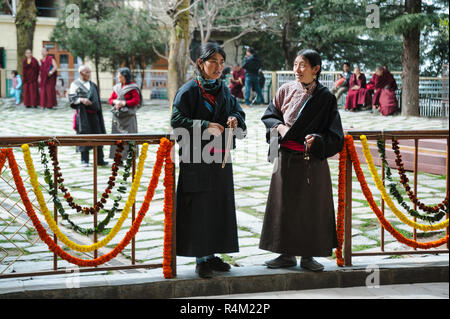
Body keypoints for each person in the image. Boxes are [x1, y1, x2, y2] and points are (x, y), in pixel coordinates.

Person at [260, 49, 344, 272]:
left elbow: (335, 135)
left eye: (303, 65)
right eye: (296, 64)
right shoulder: (285, 89)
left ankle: (309, 256)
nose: (297, 69)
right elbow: (269, 115)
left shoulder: (326, 98)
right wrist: (280, 127)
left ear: (316, 69)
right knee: (284, 206)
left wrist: (317, 140)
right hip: (285, 157)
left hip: (311, 160)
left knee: (311, 208)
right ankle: (285, 254)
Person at [170, 42, 247, 279]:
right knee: (199, 209)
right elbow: (176, 120)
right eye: (213, 61)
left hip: (221, 159)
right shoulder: (189, 90)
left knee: (218, 206)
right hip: (196, 159)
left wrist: (235, 120)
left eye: (222, 62)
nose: (218, 67)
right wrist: (204, 126)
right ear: (201, 63)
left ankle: (214, 255)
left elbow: (240, 115)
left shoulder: (225, 91)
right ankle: (201, 258)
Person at [68, 66, 108, 167]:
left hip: (94, 115)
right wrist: (81, 100)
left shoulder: (93, 85)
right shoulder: (75, 84)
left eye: (90, 72)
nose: (89, 74)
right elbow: (72, 98)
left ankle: (100, 159)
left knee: (98, 135)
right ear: (81, 73)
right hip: (83, 115)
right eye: (87, 72)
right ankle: (84, 160)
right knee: (84, 136)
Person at [108, 67, 142, 161]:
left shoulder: (133, 87)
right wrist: (115, 102)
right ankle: (118, 158)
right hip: (117, 117)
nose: (118, 77)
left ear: (125, 76)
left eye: (120, 75)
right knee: (117, 137)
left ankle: (129, 158)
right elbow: (110, 99)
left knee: (129, 137)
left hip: (128, 117)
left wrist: (124, 103)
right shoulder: (117, 87)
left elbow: (136, 101)